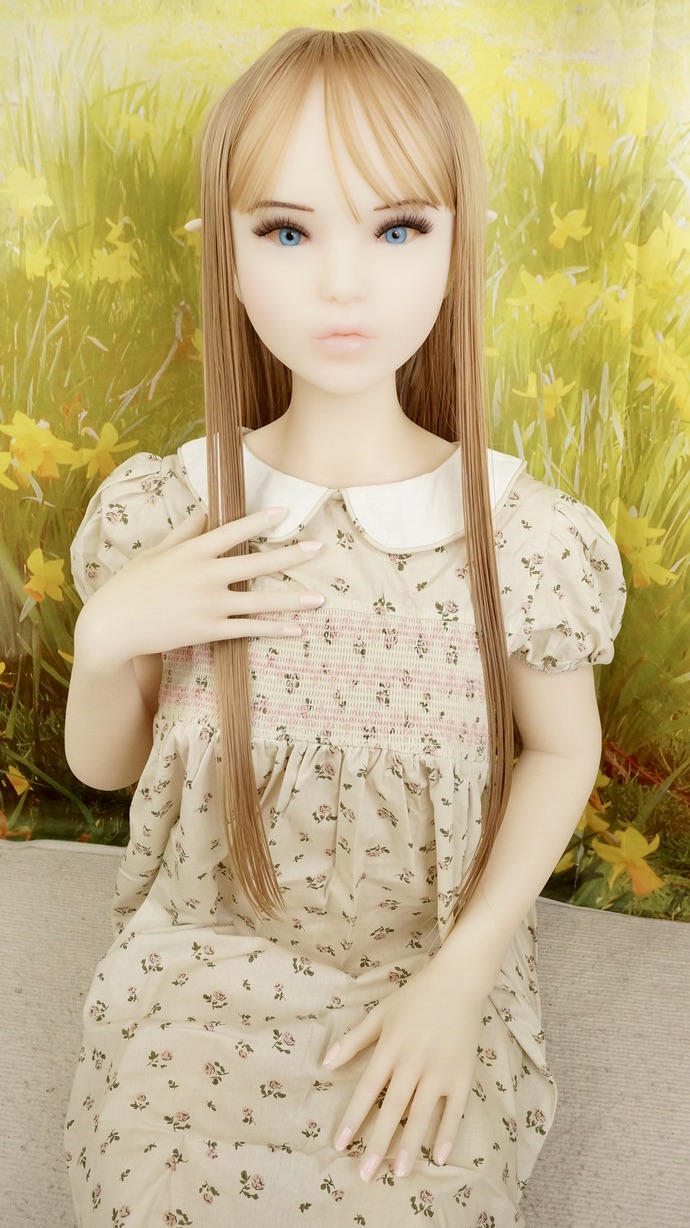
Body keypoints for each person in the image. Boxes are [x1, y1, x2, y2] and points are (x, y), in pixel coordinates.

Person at [63, 27, 625, 1227]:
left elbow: (562, 746)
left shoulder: (520, 536)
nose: (343, 283)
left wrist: (465, 974)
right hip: (194, 985)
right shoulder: (172, 509)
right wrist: (110, 632)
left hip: (423, 981)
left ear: (460, 243)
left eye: (398, 228)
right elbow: (107, 767)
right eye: (287, 231)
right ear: (224, 253)